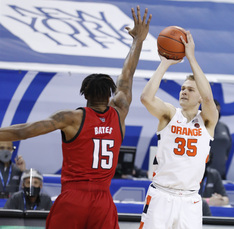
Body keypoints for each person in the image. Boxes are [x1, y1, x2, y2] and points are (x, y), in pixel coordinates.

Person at [0, 6, 151, 229]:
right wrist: (138, 40)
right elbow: (127, 77)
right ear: (110, 94)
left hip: (74, 198)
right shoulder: (120, 112)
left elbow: (24, 131)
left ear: (84, 94)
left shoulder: (71, 118)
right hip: (103, 201)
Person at [139, 31, 218, 228]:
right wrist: (164, 64)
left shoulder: (208, 121)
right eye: (183, 88)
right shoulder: (169, 113)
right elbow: (146, 98)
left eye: (190, 89)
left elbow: (209, 98)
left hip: (190, 199)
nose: (184, 91)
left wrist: (190, 56)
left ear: (199, 97)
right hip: (161, 195)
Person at [208, 99, 232, 180]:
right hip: (204, 174)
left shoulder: (224, 127)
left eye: (218, 110)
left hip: (220, 173)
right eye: (215, 110)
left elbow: (229, 145)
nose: (217, 113)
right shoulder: (199, 126)